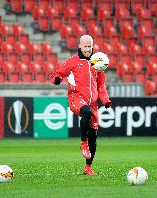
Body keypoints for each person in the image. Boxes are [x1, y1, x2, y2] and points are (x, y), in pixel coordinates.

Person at [51, 35, 112, 176]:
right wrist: (57, 79)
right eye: (85, 46)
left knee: (93, 136)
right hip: (76, 98)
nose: (88, 49)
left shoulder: (97, 63)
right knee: (87, 112)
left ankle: (88, 167)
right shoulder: (72, 62)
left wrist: (106, 100)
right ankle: (83, 142)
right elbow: (58, 74)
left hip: (93, 103)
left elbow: (101, 84)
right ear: (80, 46)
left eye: (90, 46)